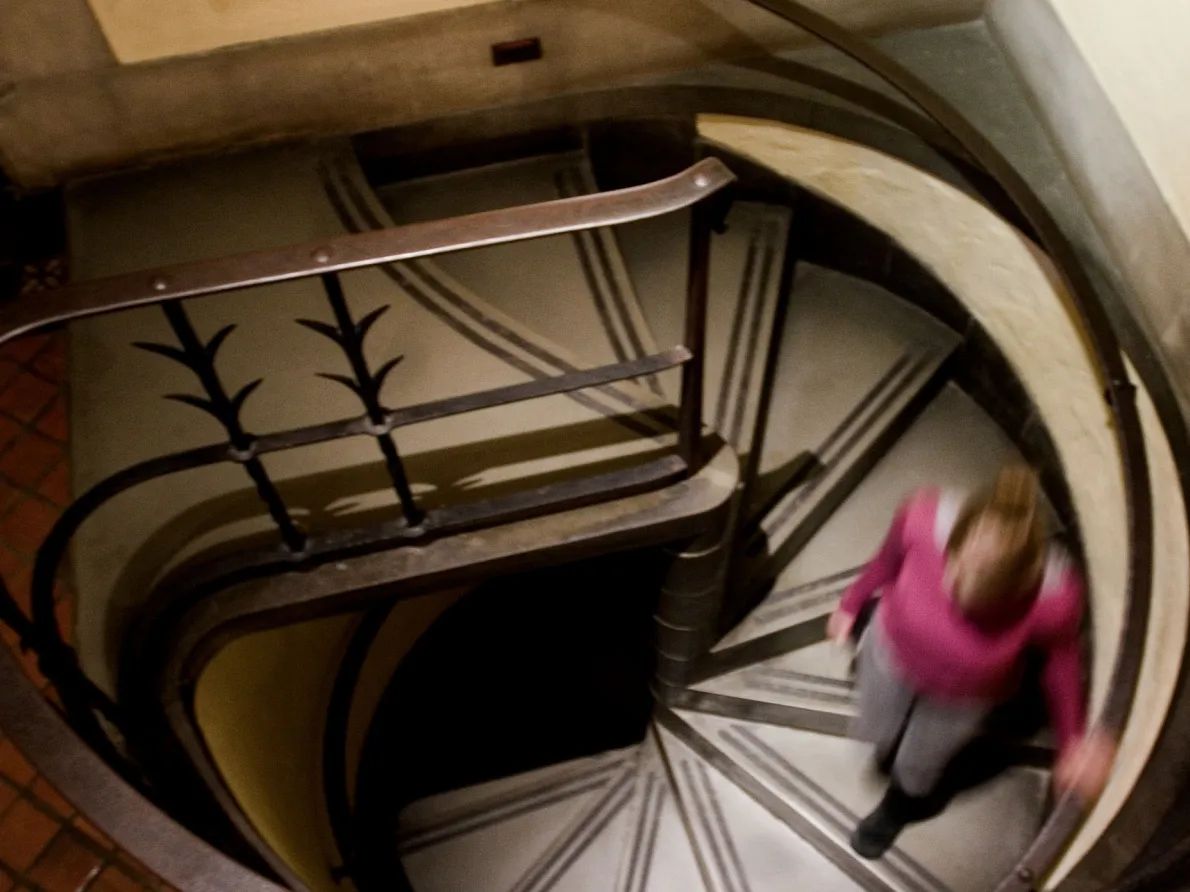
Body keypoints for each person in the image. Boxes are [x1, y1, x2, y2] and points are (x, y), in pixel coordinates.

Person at [826, 464, 1116, 858]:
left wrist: (1072, 740)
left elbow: (1061, 657)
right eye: (954, 575)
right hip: (889, 655)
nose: (960, 602)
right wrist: (851, 603)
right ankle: (883, 750)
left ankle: (899, 806)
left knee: (921, 763)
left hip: (961, 698)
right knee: (875, 723)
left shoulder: (1055, 599)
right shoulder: (922, 518)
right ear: (955, 542)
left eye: (986, 606)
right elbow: (886, 561)